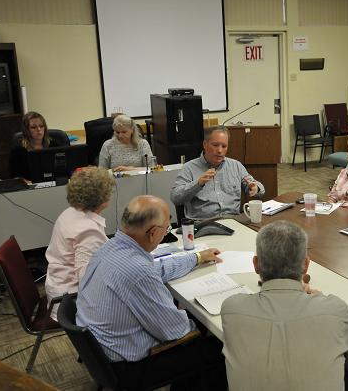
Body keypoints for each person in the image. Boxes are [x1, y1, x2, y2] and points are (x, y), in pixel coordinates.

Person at [76, 195, 224, 390]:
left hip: (99, 351)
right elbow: (175, 331)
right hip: (127, 368)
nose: (166, 233)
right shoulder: (137, 271)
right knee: (220, 348)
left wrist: (196, 258)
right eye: (167, 229)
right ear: (153, 233)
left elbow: (157, 268)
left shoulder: (110, 247)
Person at [221, 221, 348, 391]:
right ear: (306, 265)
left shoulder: (231, 309)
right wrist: (322, 301)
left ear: (256, 264)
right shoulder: (336, 309)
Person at [44, 166, 115, 319]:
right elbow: (88, 280)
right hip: (70, 303)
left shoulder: (70, 212)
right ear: (102, 198)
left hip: (58, 289)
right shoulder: (88, 230)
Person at [170, 126, 265, 221]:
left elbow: (257, 187)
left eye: (224, 146)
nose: (220, 150)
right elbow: (175, 198)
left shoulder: (236, 166)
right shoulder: (189, 168)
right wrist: (198, 183)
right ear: (205, 144)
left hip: (233, 221)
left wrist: (255, 187)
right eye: (215, 145)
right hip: (203, 224)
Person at [9, 111, 58, 180]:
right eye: (33, 127)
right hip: (29, 187)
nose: (39, 130)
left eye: (41, 126)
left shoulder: (55, 145)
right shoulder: (18, 150)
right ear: (26, 130)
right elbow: (15, 176)